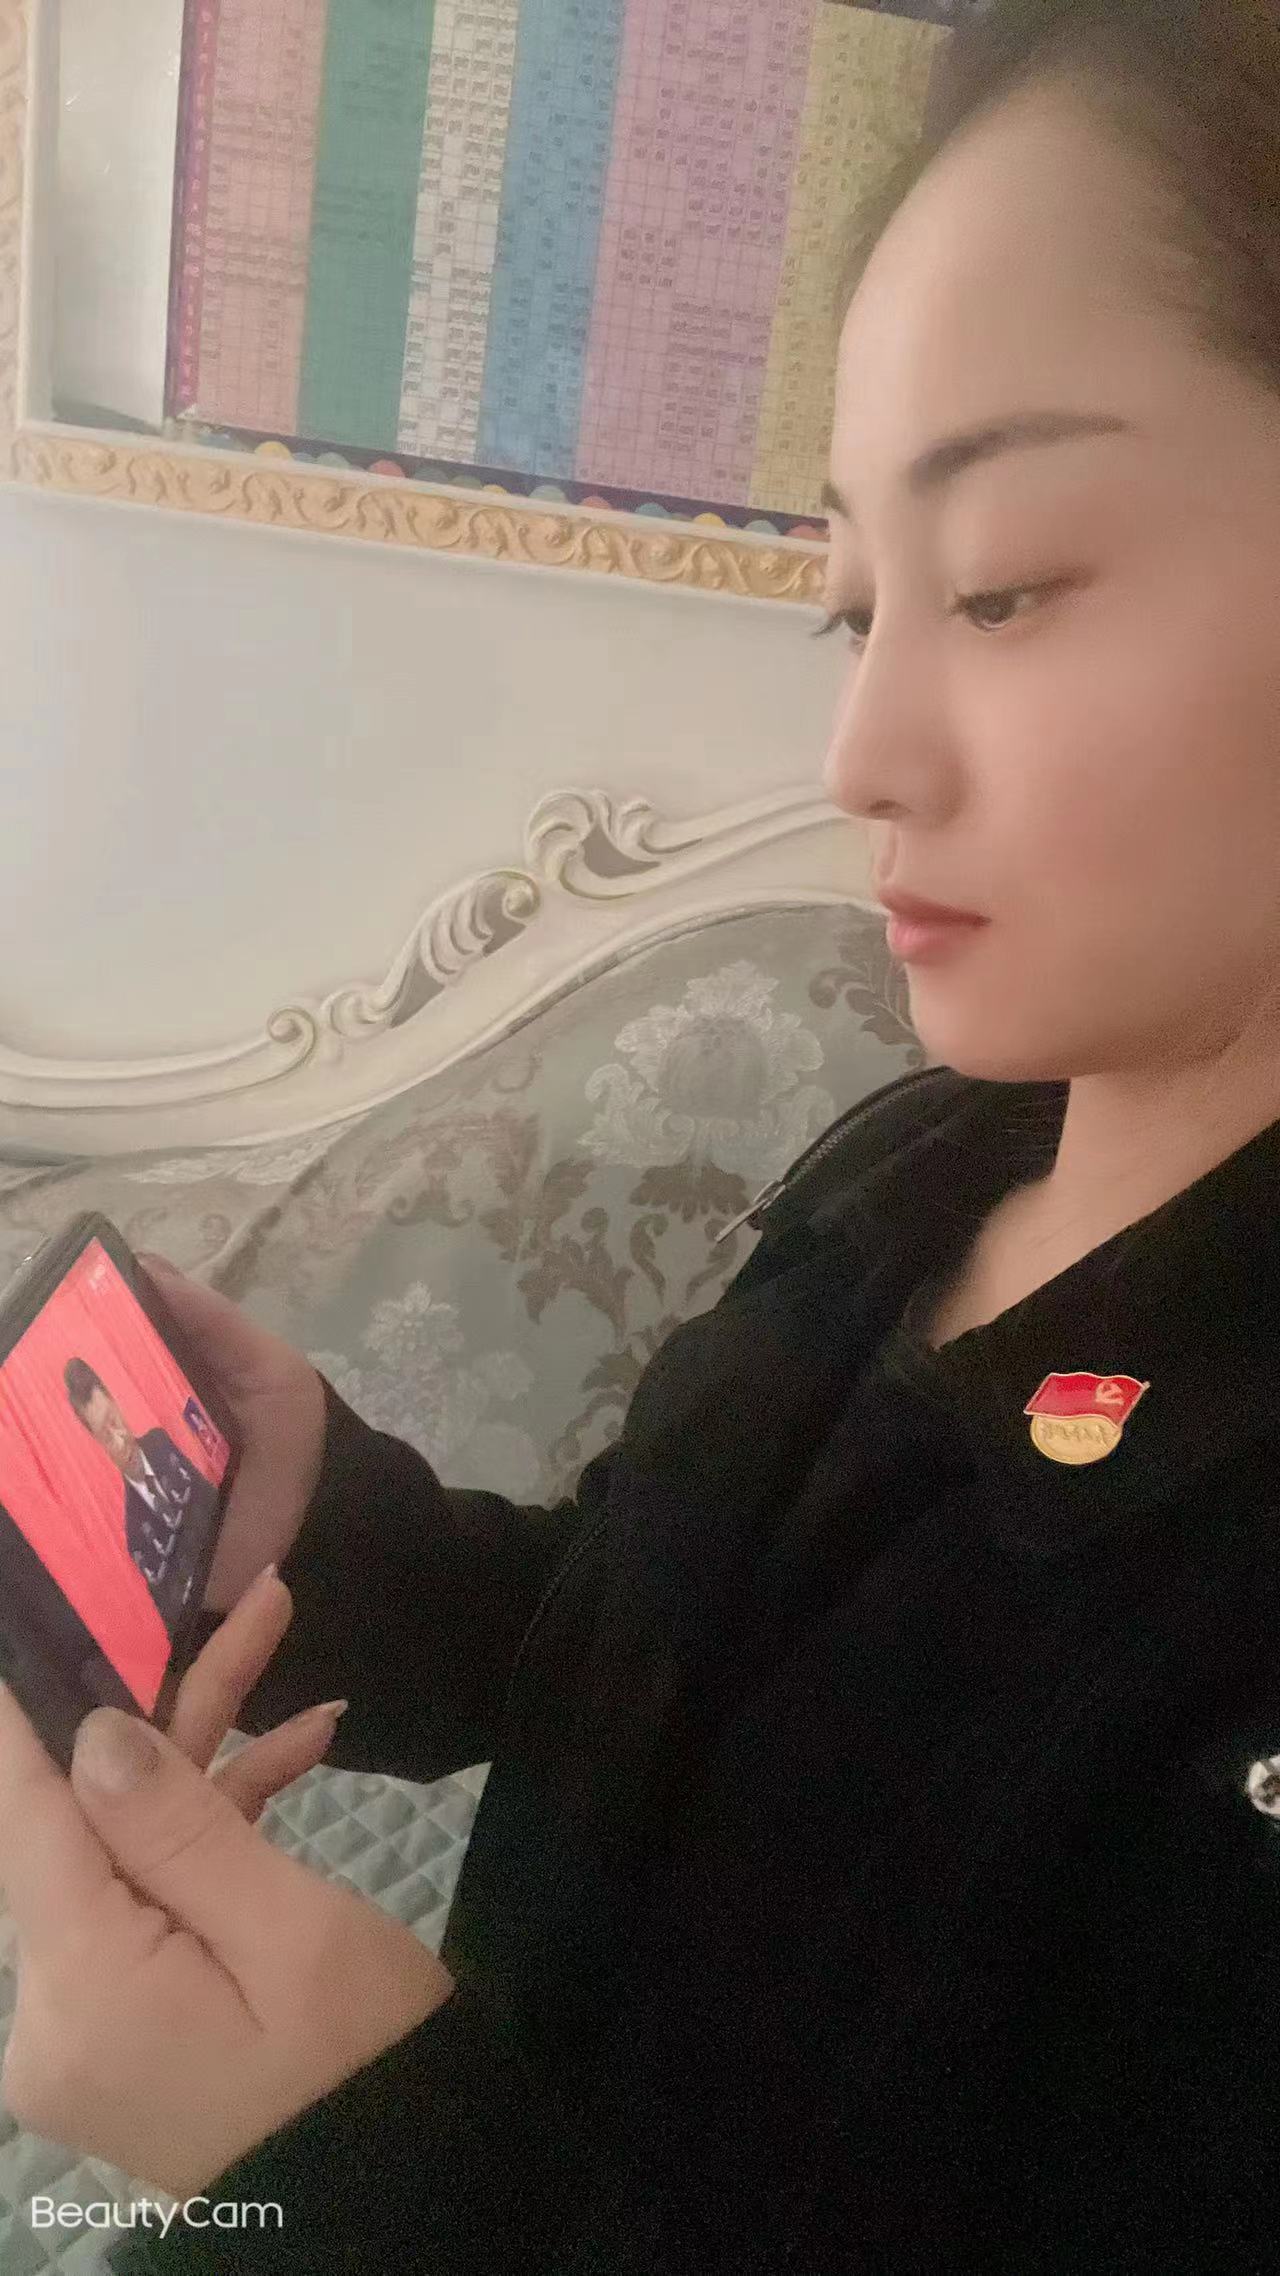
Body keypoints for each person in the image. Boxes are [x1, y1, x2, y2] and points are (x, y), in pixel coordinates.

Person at [2, 0, 1280, 2262]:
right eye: (854, 602)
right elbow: (660, 1661)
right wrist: (343, 1541)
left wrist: (353, 2178)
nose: (861, 748)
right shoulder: (926, 1161)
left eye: (999, 583)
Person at [63, 1358, 220, 1625]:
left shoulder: (161, 1442)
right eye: (106, 1436)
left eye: (114, 1420)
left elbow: (213, 1498)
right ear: (97, 1444)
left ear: (116, 1403)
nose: (120, 1438)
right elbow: (174, 1618)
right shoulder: (136, 1535)